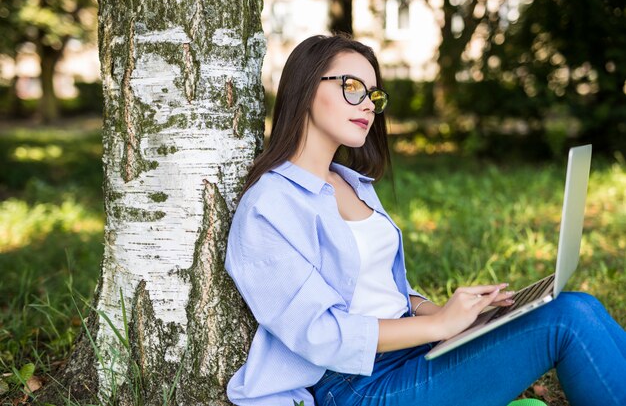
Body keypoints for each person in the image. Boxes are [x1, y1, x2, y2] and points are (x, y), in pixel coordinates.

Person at [224, 34, 626, 406]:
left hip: (410, 352)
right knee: (567, 321)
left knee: (578, 304)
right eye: (352, 88)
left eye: (373, 95)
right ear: (306, 88)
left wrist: (449, 313)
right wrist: (440, 328)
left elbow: (380, 288)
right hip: (354, 386)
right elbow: (321, 334)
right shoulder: (269, 205)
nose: (368, 104)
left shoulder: (352, 183)